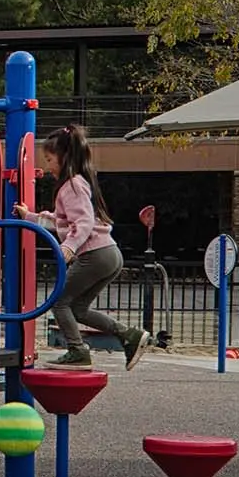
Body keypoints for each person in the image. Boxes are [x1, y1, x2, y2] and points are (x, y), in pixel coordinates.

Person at [28, 125, 145, 368]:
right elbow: (60, 221)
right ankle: (128, 335)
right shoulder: (78, 184)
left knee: (59, 302)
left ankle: (78, 351)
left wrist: (69, 246)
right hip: (109, 253)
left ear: (65, 158)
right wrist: (28, 217)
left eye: (50, 160)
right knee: (78, 308)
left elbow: (83, 222)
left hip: (94, 253)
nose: (48, 166)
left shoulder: (70, 185)